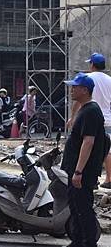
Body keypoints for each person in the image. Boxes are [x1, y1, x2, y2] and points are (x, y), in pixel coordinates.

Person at [61, 72, 106, 247]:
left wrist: (78, 171)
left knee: (83, 208)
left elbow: (88, 142)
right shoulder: (84, 109)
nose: (71, 90)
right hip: (76, 169)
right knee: (75, 206)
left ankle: (88, 243)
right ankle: (78, 240)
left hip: (83, 172)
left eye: (75, 87)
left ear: (85, 90)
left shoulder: (91, 111)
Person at [70, 53, 111, 189]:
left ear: (92, 64)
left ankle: (89, 179)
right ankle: (109, 178)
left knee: (87, 148)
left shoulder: (87, 78)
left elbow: (79, 100)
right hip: (107, 119)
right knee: (106, 150)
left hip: (89, 117)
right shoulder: (109, 80)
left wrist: (73, 117)